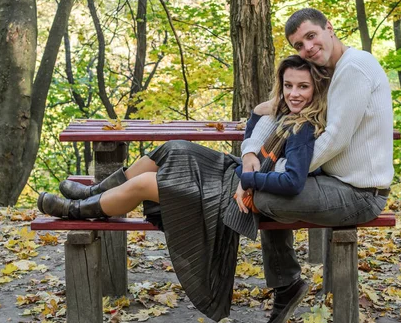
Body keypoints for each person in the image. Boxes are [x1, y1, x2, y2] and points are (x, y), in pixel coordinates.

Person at [37, 55, 330, 322]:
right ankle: (94, 193)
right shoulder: (288, 113)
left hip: (236, 191)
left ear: (317, 89)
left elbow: (291, 179)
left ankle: (77, 211)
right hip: (235, 169)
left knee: (145, 184)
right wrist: (258, 121)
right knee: (171, 148)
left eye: (303, 87)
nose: (294, 93)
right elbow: (254, 134)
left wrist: (248, 177)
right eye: (288, 85)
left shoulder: (305, 128)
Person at [239, 8, 394, 323]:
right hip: (333, 181)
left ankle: (287, 285)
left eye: (311, 36)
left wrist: (269, 174)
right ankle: (287, 285)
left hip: (362, 193)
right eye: (298, 44)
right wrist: (252, 152)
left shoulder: (355, 68)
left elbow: (334, 139)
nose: (306, 48)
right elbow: (276, 111)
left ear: (329, 28)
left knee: (265, 196)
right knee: (261, 190)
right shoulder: (320, 71)